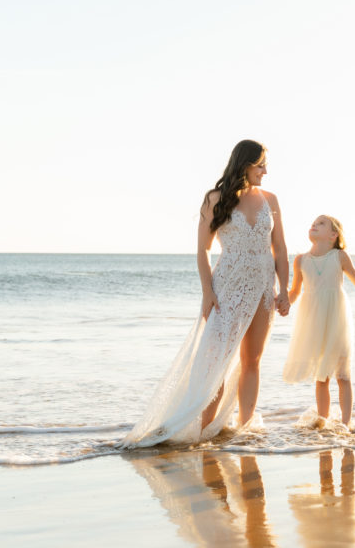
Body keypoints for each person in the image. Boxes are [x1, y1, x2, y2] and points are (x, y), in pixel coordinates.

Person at [119, 140, 290, 448]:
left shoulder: (271, 199)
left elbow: (280, 249)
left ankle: (245, 427)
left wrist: (285, 290)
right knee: (217, 363)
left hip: (264, 288)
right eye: (261, 164)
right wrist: (207, 292)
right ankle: (203, 432)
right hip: (227, 287)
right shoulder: (215, 198)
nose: (265, 171)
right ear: (245, 164)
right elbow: (203, 250)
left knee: (252, 359)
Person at [282, 215, 355, 426]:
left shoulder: (339, 256)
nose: (314, 225)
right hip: (313, 321)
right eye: (313, 223)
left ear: (333, 235)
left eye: (321, 223)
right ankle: (323, 422)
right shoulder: (301, 260)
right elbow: (294, 292)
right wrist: (281, 302)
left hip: (337, 319)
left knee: (342, 374)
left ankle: (346, 424)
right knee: (321, 376)